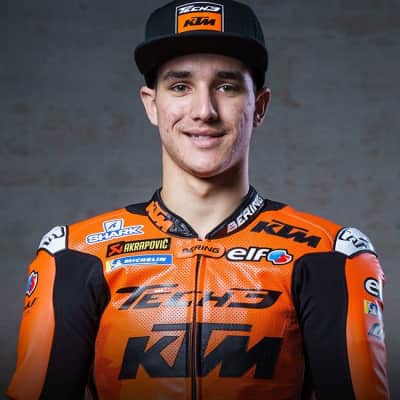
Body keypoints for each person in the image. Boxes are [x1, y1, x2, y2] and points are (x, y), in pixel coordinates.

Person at [6, 0, 390, 399]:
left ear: (259, 106)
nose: (204, 111)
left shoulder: (330, 256)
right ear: (151, 104)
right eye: (180, 86)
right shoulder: (74, 255)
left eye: (226, 86)